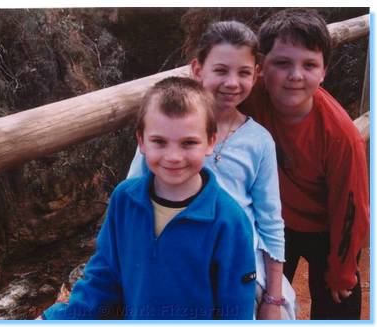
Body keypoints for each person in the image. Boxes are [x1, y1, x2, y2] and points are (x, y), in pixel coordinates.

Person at [41, 77, 256, 320]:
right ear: (142, 141)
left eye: (188, 143)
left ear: (210, 142)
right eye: (160, 142)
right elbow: (104, 276)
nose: (173, 157)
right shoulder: (125, 199)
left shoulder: (229, 222)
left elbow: (236, 311)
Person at [128, 21, 296, 319]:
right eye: (221, 70)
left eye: (243, 72)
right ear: (197, 69)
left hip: (241, 264)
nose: (232, 83)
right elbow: (132, 201)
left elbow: (270, 221)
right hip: (174, 257)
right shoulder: (167, 128)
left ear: (256, 75)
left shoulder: (258, 141)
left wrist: (273, 296)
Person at [240, 8, 369, 319]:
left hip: (327, 228)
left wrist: (343, 272)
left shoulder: (339, 135)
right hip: (275, 220)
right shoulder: (249, 97)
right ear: (260, 68)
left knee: (338, 302)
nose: (295, 75)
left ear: (324, 71)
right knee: (259, 296)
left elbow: (351, 209)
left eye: (309, 65)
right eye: (282, 63)